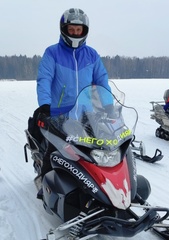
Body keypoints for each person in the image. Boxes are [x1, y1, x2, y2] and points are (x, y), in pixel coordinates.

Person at [33, 8, 113, 184]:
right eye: (71, 29)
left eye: (79, 30)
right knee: (55, 151)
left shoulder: (91, 54)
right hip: (58, 114)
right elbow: (44, 79)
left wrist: (108, 105)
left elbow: (101, 80)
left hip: (86, 113)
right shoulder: (52, 52)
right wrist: (45, 105)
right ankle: (44, 182)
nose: (75, 33)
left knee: (96, 150)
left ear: (84, 31)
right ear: (64, 29)